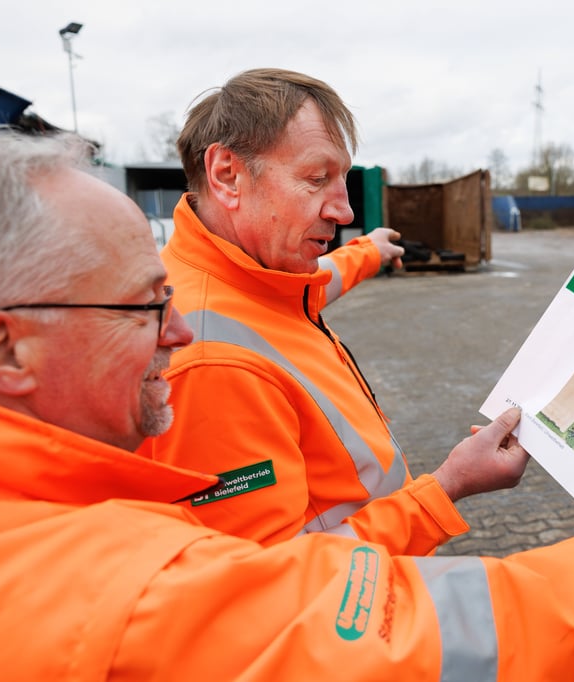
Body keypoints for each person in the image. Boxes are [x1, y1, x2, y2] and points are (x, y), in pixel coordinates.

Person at [0, 126, 574, 680]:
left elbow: (315, 282)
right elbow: (411, 638)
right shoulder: (107, 585)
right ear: (4, 349)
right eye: (143, 307)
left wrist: (372, 255)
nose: (179, 330)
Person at [139, 68, 528, 553]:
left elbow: (313, 285)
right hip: (362, 596)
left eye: (341, 179)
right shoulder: (210, 363)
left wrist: (370, 250)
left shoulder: (251, 276)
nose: (344, 212)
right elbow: (275, 579)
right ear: (227, 175)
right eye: (317, 178)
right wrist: (447, 487)